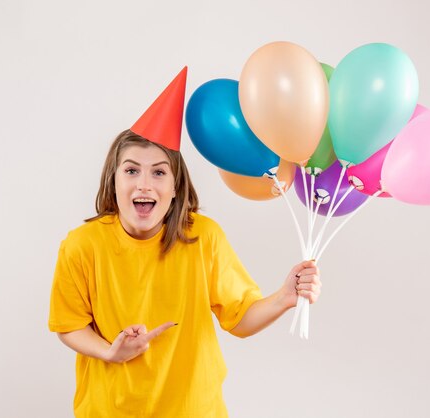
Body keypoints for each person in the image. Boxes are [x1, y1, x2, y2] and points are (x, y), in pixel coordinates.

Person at [48, 67, 322, 418]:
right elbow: (68, 324)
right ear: (113, 181)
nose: (144, 184)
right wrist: (109, 351)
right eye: (131, 170)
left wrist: (285, 297)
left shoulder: (203, 237)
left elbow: (239, 319)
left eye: (159, 172)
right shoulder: (81, 246)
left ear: (175, 187)